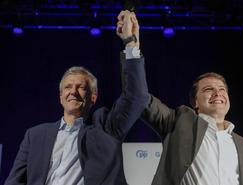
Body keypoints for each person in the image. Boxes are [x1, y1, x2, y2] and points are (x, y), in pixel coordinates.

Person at [117, 11, 243, 185]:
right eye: (209, 89)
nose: (218, 93)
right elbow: (138, 96)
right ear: (195, 102)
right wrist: (131, 45)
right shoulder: (179, 122)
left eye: (222, 89)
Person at [4, 11, 148, 185]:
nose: (73, 91)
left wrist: (130, 44)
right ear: (60, 97)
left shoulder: (106, 126)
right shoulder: (35, 136)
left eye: (81, 87)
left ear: (93, 97)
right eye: (68, 87)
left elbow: (136, 97)